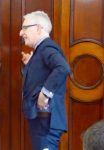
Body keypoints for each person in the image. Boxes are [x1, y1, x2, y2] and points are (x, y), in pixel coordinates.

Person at [20, 11, 70, 150]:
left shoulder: (47, 47)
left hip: (46, 121)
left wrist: (45, 94)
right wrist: (32, 63)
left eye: (25, 27)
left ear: (38, 28)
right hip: (43, 120)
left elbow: (63, 68)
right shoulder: (42, 49)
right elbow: (46, 72)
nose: (21, 33)